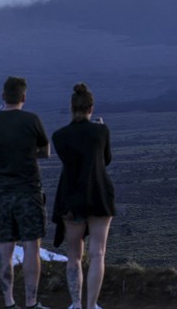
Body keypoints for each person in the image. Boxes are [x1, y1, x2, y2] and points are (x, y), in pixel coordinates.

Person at [0, 76, 51, 309]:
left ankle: (9, 302)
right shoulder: (31, 120)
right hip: (29, 190)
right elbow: (45, 151)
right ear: (24, 97)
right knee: (32, 246)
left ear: (3, 96)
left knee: (5, 247)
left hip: (1, 192)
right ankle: (31, 303)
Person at [51, 83, 115, 309]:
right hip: (98, 195)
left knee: (74, 256)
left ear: (71, 108)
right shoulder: (101, 132)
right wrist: (101, 130)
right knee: (98, 253)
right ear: (91, 108)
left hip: (70, 198)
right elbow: (104, 160)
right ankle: (92, 304)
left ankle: (76, 304)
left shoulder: (59, 136)